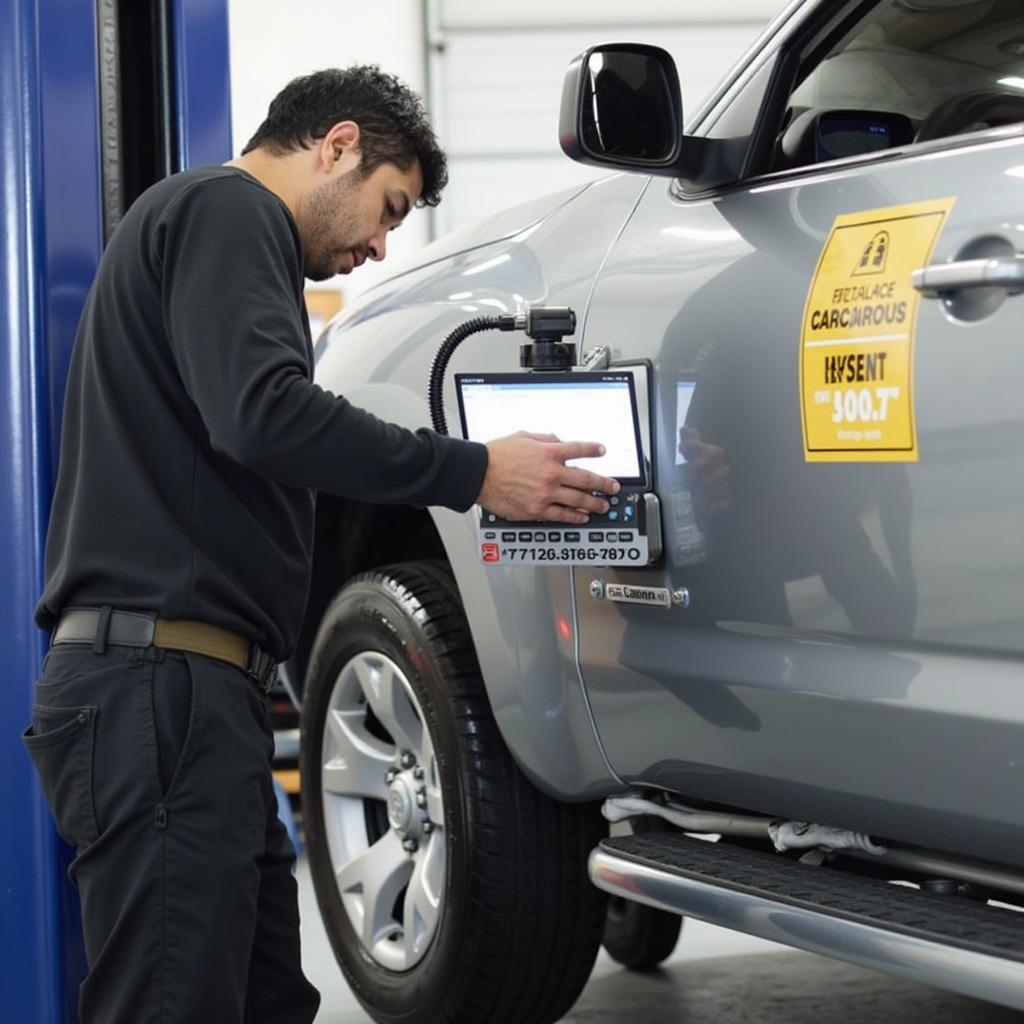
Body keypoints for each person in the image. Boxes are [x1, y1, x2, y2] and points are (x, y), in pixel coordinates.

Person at [23, 66, 619, 1024]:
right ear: (336, 144)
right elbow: (265, 416)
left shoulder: (203, 232)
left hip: (186, 694)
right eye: (388, 208)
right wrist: (476, 473)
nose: (380, 247)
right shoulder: (228, 212)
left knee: (260, 998)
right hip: (157, 691)